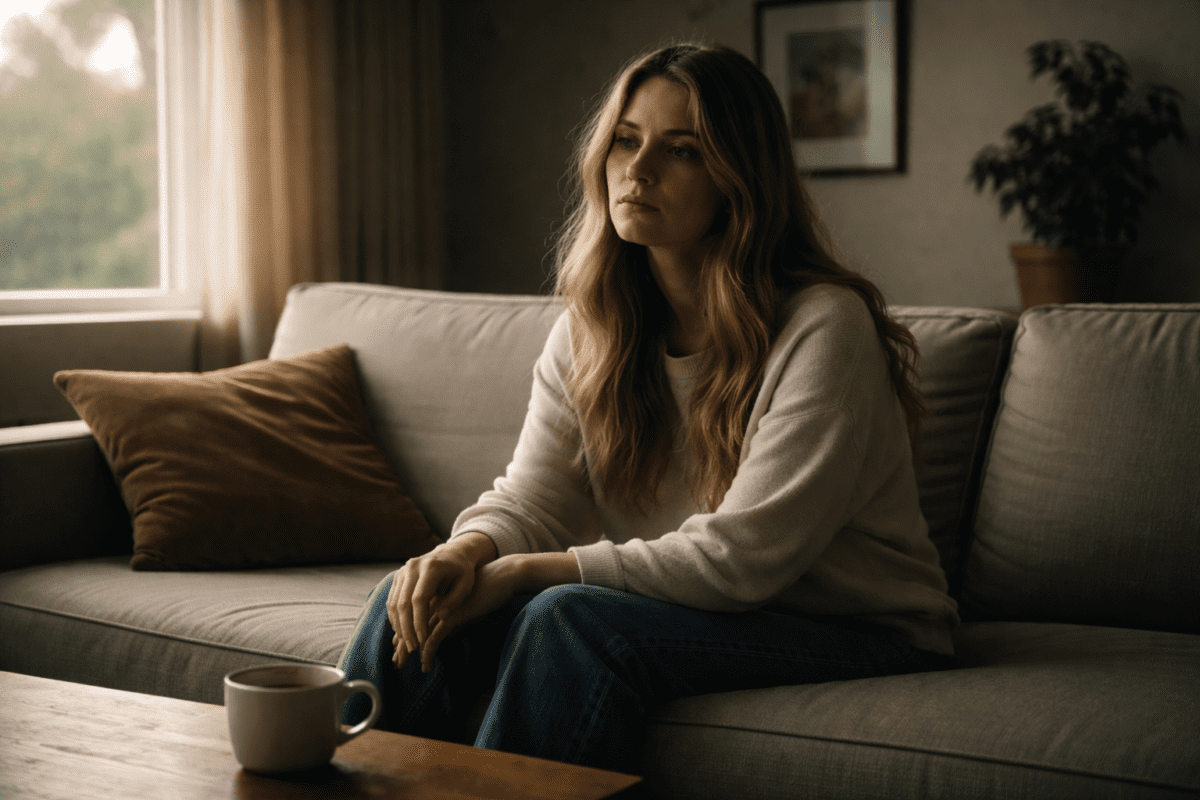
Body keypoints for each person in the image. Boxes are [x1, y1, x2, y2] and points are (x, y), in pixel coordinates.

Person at [339, 42, 957, 775]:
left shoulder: (824, 327)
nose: (639, 170)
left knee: (567, 620)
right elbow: (535, 499)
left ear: (739, 177)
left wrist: (525, 573)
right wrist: (466, 551)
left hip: (859, 631)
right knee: (411, 596)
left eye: (682, 150)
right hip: (701, 609)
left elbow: (741, 560)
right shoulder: (594, 324)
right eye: (626, 141)